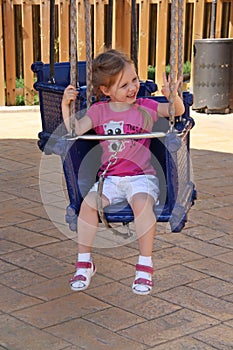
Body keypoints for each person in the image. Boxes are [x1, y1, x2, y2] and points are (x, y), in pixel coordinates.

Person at [62, 49, 184, 295]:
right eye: (124, 84)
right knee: (88, 205)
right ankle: (85, 262)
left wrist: (173, 97)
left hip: (142, 177)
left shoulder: (145, 106)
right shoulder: (98, 111)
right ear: (106, 90)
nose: (132, 88)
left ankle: (144, 266)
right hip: (111, 178)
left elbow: (177, 112)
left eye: (134, 80)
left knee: (142, 205)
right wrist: (67, 105)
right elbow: (75, 129)